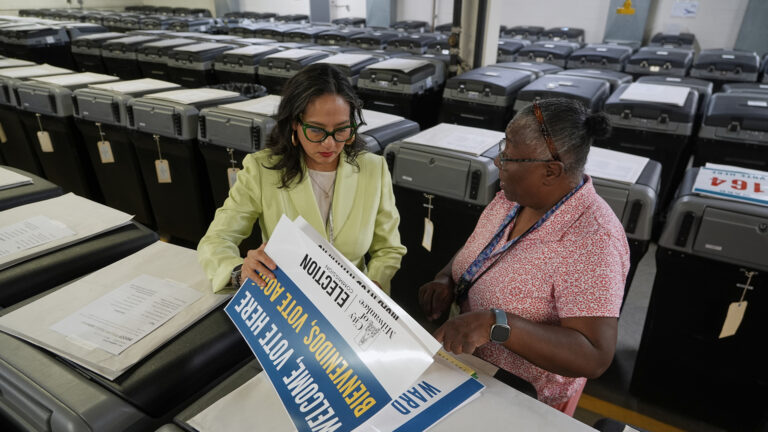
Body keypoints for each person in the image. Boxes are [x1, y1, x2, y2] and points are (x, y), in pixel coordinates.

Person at [418, 98, 629, 412]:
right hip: (469, 370)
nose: (498, 160)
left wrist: (497, 324)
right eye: (504, 146)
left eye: (510, 155)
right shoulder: (512, 198)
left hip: (522, 398)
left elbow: (594, 355)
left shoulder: (593, 239)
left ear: (550, 171)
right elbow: (483, 248)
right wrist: (448, 277)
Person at [198, 63, 406, 294]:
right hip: (287, 302)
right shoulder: (262, 170)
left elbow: (388, 249)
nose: (329, 143)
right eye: (316, 130)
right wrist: (239, 271)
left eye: (341, 129)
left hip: (354, 302)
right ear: (295, 124)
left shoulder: (373, 169)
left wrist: (373, 287)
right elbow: (215, 240)